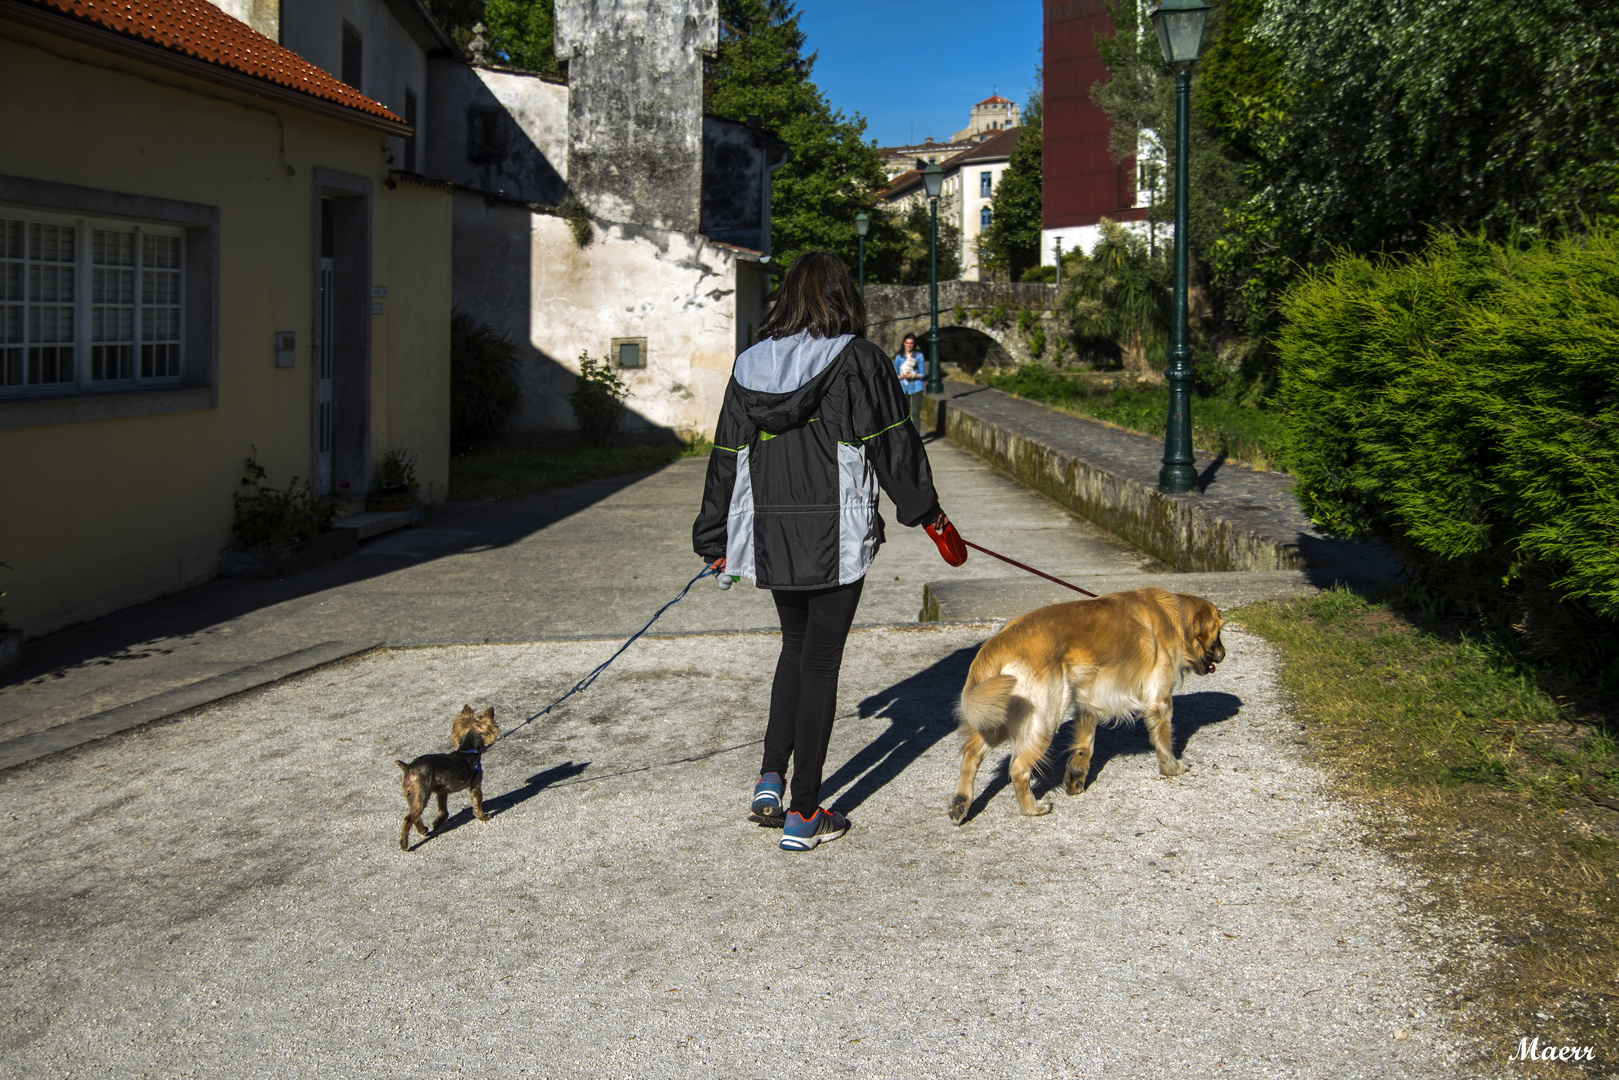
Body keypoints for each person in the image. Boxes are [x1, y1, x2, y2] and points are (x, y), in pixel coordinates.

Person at [693, 253, 949, 852]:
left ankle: (769, 781)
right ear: (843, 297)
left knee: (794, 649)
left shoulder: (750, 364)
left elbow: (726, 453)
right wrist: (927, 513)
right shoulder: (859, 360)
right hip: (836, 537)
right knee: (819, 663)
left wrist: (713, 538)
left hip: (773, 534)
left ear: (788, 295)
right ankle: (805, 813)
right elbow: (893, 442)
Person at [893, 333, 926, 426]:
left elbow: (922, 374)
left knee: (915, 412)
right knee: (904, 413)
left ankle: (917, 437)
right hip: (903, 387)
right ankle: (906, 436)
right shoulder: (899, 358)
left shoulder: (918, 356)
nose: (909, 345)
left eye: (911, 343)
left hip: (916, 387)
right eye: (907, 343)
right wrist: (903, 376)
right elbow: (894, 375)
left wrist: (913, 376)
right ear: (904, 343)